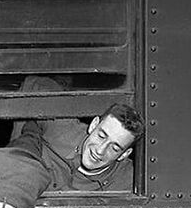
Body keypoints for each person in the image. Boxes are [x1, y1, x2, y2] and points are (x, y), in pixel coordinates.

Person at [13, 75, 145, 191]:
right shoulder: (63, 129)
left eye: (114, 148)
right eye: (101, 136)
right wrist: (18, 152)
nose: (100, 150)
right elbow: (35, 84)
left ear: (124, 155)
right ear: (93, 125)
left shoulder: (129, 180)